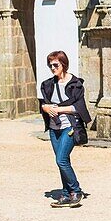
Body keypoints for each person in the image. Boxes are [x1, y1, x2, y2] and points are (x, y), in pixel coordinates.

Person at [39, 50, 91, 208]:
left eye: (55, 65)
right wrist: (46, 107)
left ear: (63, 64)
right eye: (50, 65)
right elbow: (43, 104)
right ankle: (66, 193)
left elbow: (79, 107)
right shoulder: (48, 85)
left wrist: (59, 109)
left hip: (69, 126)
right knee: (63, 161)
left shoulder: (75, 84)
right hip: (54, 128)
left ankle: (76, 190)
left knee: (60, 159)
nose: (52, 68)